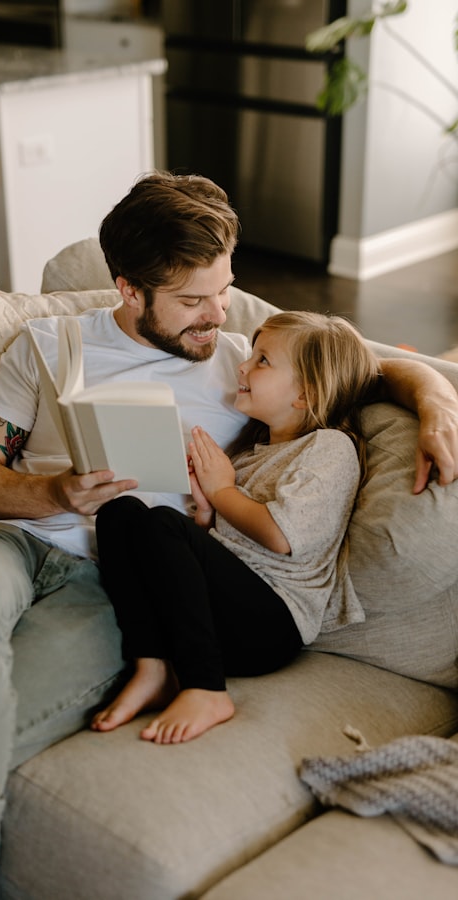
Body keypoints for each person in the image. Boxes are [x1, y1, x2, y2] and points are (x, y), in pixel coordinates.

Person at [0, 171, 458, 900]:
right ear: (129, 290)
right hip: (10, 539)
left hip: (115, 580)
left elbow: (371, 367)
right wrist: (53, 490)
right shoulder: (48, 344)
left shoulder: (246, 365)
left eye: (225, 291)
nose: (218, 316)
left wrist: (440, 403)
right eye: (193, 301)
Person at [91, 311, 380, 743]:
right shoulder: (252, 453)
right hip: (225, 609)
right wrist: (207, 513)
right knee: (120, 512)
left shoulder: (330, 448)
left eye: (262, 361)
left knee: (163, 525)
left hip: (272, 622)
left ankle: (206, 688)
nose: (243, 366)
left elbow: (282, 537)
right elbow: (224, 546)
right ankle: (152, 665)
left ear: (306, 394)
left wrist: (223, 489)